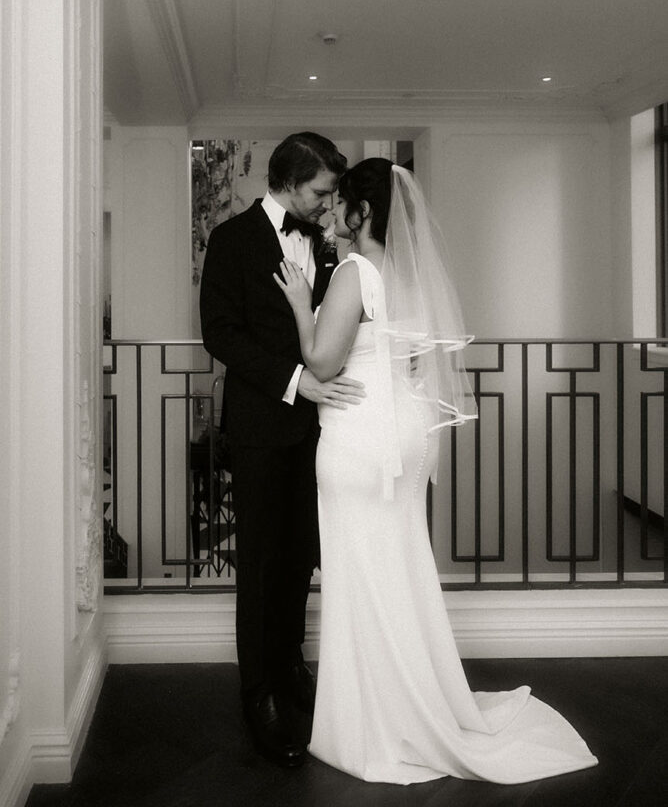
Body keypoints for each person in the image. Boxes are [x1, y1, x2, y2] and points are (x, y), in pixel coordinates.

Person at [274, 157, 598, 785]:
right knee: (398, 565)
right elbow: (416, 361)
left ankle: (377, 718)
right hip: (404, 434)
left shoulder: (355, 272)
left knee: (362, 571)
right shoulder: (409, 275)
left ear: (364, 212)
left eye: (341, 204)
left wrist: (298, 304)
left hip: (361, 438)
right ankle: (410, 699)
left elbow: (322, 362)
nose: (332, 214)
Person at [199, 132, 364, 769]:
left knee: (299, 555)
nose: (328, 204)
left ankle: (292, 664)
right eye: (321, 191)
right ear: (290, 182)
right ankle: (259, 692)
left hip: (319, 431)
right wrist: (297, 382)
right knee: (261, 561)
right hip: (261, 426)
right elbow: (220, 334)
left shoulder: (322, 244)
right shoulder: (232, 240)